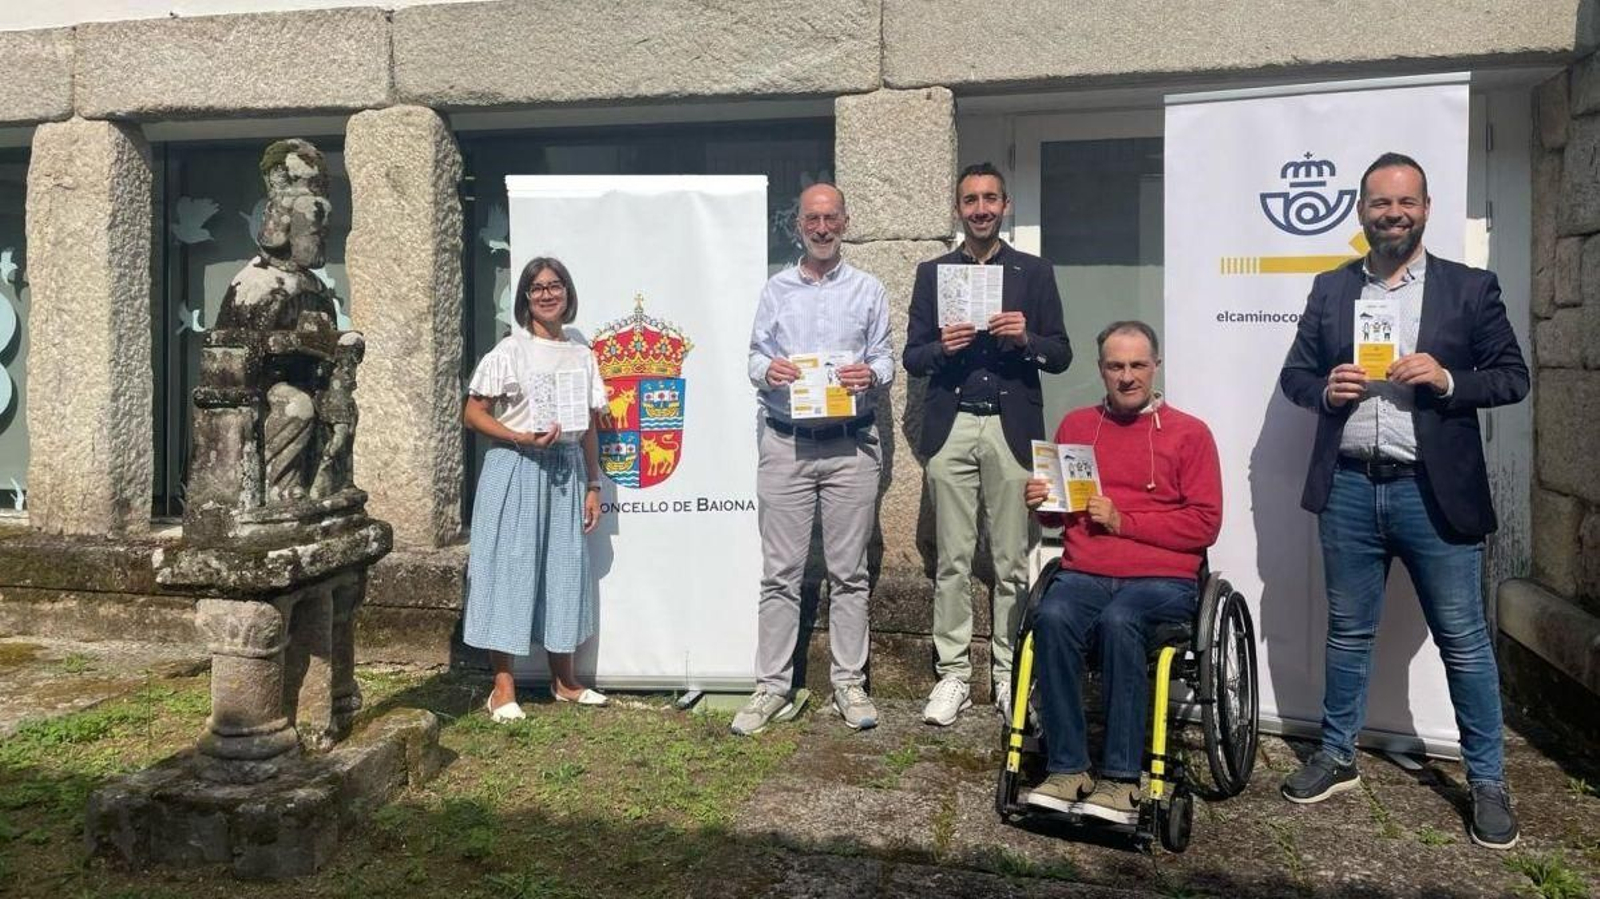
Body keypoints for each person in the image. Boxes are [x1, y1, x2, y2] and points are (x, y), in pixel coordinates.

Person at [1278, 152, 1529, 849]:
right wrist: (1325, 389)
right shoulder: (1331, 290)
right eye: (1380, 203)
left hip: (1432, 492)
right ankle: (1336, 753)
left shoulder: (1469, 288)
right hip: (1351, 486)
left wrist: (1448, 378)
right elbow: (1295, 375)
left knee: (1466, 642)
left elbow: (1513, 377)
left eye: (1406, 202)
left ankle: (1487, 779)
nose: (1393, 213)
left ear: (1426, 207)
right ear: (1361, 211)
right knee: (1349, 633)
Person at [1022, 321, 1222, 823]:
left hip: (1163, 579)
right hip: (1086, 572)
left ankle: (1120, 778)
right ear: (1101, 371)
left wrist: (1124, 520)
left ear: (1155, 367)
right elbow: (1059, 516)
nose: (1127, 376)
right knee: (1052, 616)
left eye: (1137, 365)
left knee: (1120, 621)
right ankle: (1068, 768)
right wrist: (1041, 504)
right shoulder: (1075, 427)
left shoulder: (1190, 433)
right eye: (1116, 366)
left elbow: (1205, 523)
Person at [904, 161, 1071, 725]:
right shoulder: (933, 273)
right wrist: (942, 350)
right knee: (950, 559)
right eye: (970, 200)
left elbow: (1062, 352)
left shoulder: (1034, 271)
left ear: (1006, 206)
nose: (980, 209)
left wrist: (1026, 339)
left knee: (1010, 563)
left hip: (1010, 427)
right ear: (959, 209)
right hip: (952, 426)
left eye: (990, 199)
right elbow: (912, 356)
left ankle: (1008, 674)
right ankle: (952, 675)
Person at [733, 182, 894, 735]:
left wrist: (871, 374)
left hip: (852, 445)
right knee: (781, 573)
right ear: (798, 225)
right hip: (786, 443)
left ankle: (849, 684)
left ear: (846, 222)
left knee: (850, 573)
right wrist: (767, 371)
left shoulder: (870, 290)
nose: (822, 228)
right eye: (812, 220)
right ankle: (771, 687)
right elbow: (755, 355)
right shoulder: (775, 290)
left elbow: (885, 357)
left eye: (831, 218)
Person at [462, 256, 610, 722]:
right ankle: (502, 688)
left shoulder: (581, 354)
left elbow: (587, 426)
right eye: (537, 288)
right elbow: (473, 413)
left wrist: (593, 483)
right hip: (516, 465)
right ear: (525, 298)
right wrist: (519, 436)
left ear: (568, 293)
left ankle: (564, 681)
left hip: (565, 468)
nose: (547, 294)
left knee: (563, 570)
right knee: (510, 568)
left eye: (555, 285)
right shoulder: (510, 351)